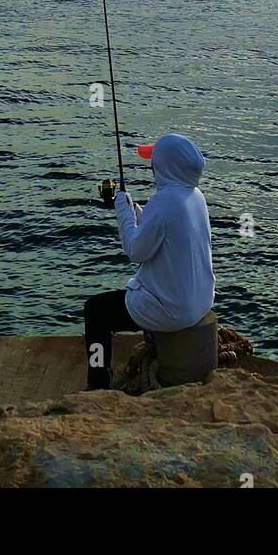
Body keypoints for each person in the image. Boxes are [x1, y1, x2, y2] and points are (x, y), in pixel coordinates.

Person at [83, 132, 215, 390]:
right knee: (105, 308)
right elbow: (162, 229)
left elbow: (135, 250)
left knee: (95, 312)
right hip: (199, 300)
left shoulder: (164, 202)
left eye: (155, 162)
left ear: (166, 166)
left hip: (172, 310)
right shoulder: (194, 196)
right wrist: (134, 209)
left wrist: (122, 209)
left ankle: (98, 383)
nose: (152, 167)